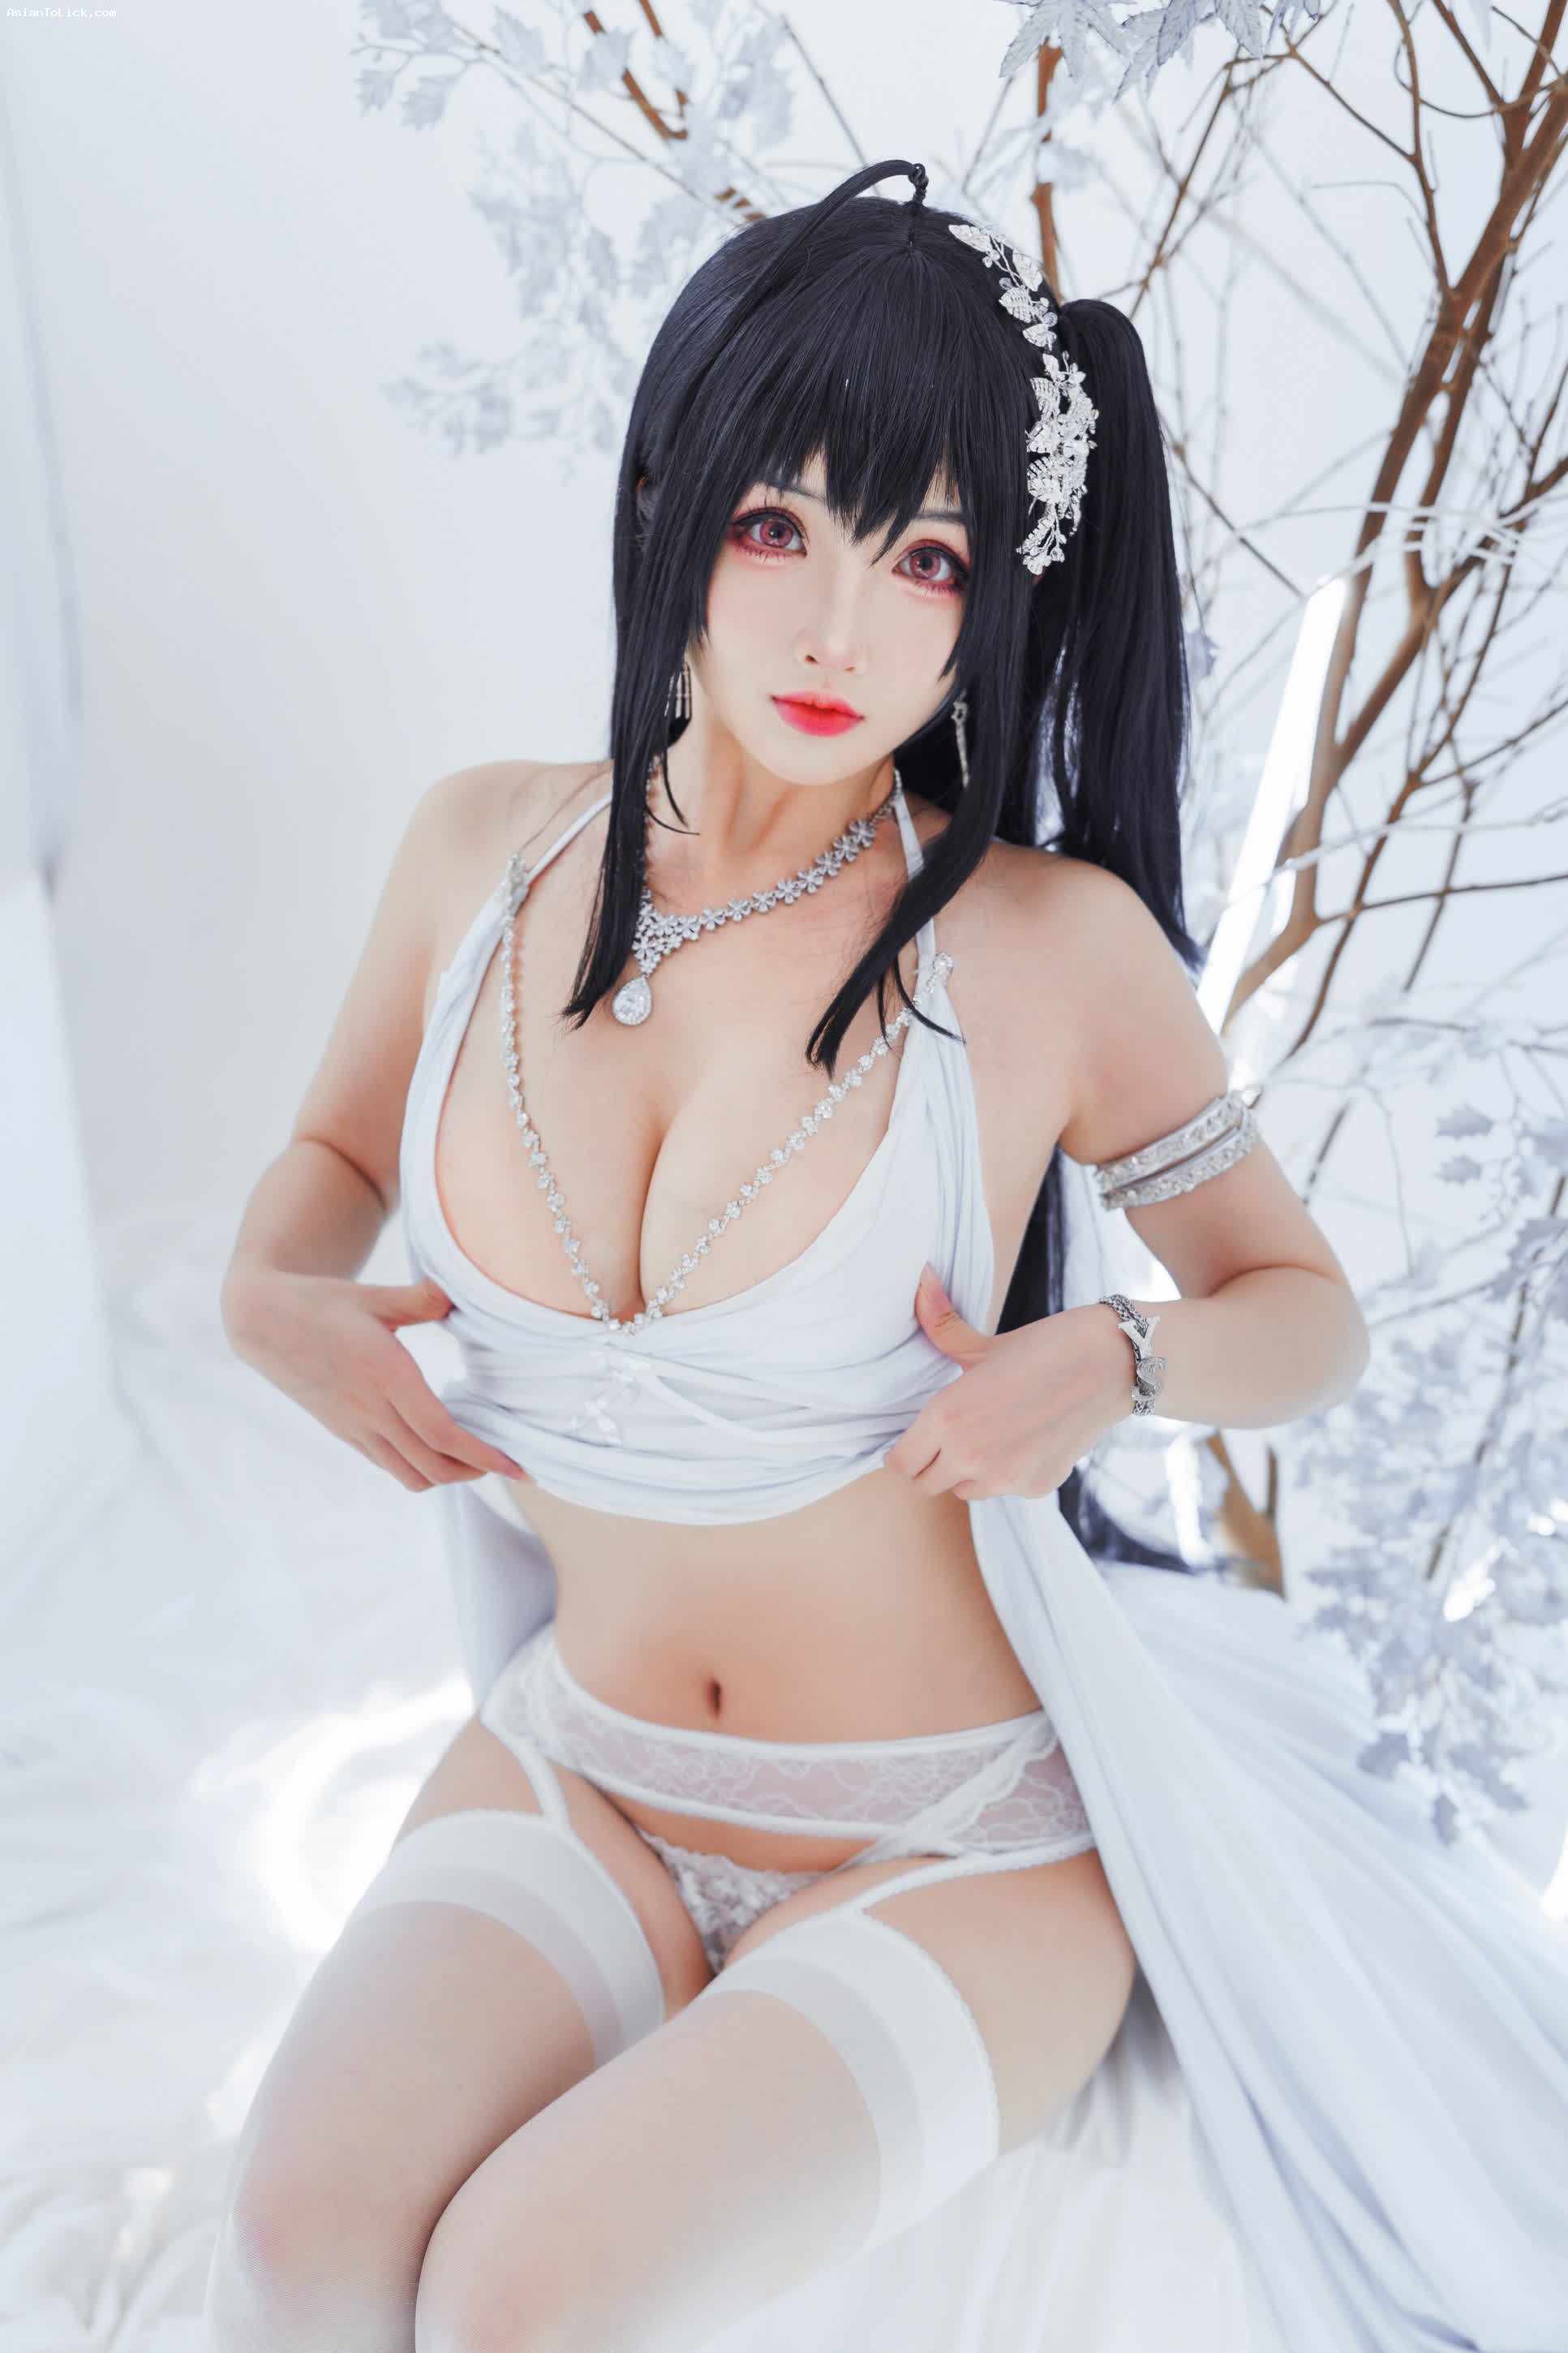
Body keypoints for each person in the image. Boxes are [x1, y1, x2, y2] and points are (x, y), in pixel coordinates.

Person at [202, 160, 1568, 2353]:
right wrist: (267, 1298)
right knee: (297, 2249)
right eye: (782, 528)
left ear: (990, 591)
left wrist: (1112, 1360)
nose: (846, 631)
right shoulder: (479, 852)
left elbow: (1304, 1316)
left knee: (518, 2303)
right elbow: (328, 1156)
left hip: (958, 1838)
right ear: (667, 504)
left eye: (926, 557)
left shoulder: (1042, 949)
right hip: (588, 1766)